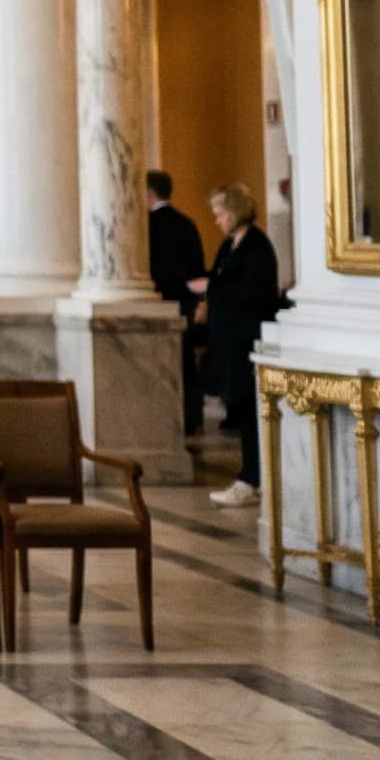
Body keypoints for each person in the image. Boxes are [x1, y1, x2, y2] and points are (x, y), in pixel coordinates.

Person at [196, 183, 282, 507]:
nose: (217, 221)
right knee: (241, 411)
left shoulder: (257, 247)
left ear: (234, 213)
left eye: (220, 214)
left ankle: (253, 479)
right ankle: (250, 477)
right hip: (229, 341)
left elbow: (256, 295)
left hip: (247, 340)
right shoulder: (229, 245)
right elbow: (217, 279)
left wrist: (213, 291)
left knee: (249, 412)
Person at [146, 170, 213, 435]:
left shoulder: (148, 226)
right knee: (186, 363)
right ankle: (192, 417)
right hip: (187, 303)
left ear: (149, 193)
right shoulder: (187, 222)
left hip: (160, 301)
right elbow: (196, 264)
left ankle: (170, 421)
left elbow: (155, 268)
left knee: (165, 364)